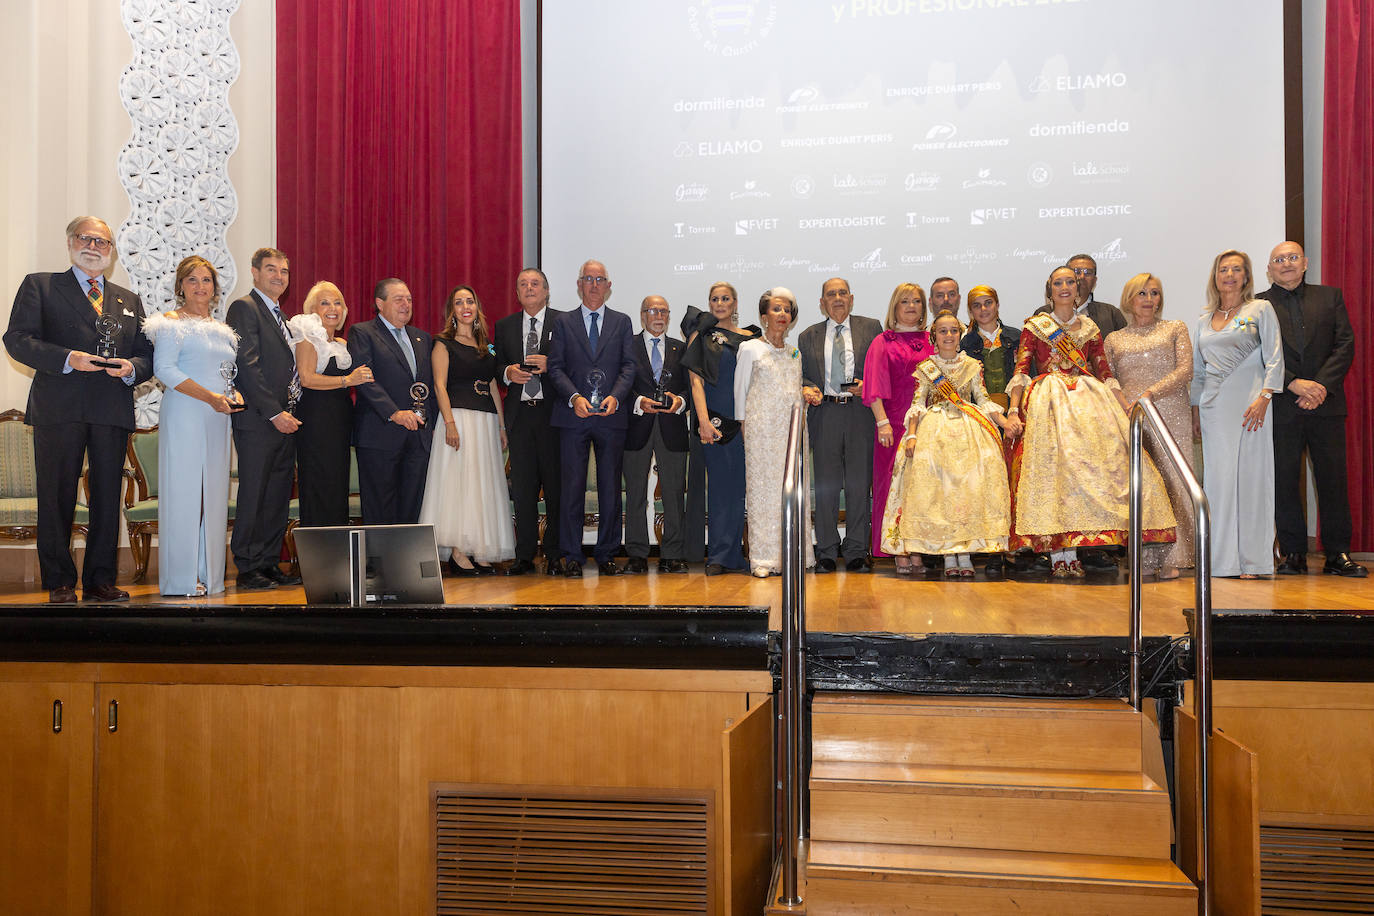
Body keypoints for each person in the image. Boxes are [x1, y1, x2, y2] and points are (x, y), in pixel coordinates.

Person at [4, 216, 153, 603]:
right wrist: (69, 357)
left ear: (111, 251)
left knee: (107, 497)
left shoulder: (128, 299)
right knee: (57, 496)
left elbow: (146, 355)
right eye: (86, 238)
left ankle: (101, 580)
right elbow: (17, 340)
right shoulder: (41, 285)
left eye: (102, 242)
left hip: (111, 408)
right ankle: (59, 582)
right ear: (71, 241)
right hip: (60, 407)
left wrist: (132, 368)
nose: (94, 246)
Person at [1006, 265, 1176, 577]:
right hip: (1050, 402)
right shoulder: (1036, 326)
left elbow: (1104, 372)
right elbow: (1021, 369)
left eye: (1070, 281)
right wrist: (1014, 410)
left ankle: (1076, 548)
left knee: (1087, 474)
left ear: (1079, 288)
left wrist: (1124, 406)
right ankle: (1058, 554)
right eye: (1058, 283)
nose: (1065, 287)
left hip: (1088, 402)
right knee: (1055, 473)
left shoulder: (1090, 328)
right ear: (1050, 289)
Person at [1257, 241, 1365, 577]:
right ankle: (1293, 554)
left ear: (1305, 263)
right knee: (1284, 481)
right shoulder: (1258, 304)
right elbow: (1256, 352)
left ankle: (1338, 555)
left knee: (1332, 480)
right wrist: (1293, 383)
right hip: (1282, 405)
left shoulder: (1329, 296)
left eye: (1292, 258)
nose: (1286, 264)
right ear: (1269, 269)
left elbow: (1344, 344)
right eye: (1279, 259)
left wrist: (1319, 386)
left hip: (1326, 404)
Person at [884, 311, 1014, 578]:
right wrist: (911, 436)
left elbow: (983, 399)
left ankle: (964, 554)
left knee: (967, 492)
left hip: (969, 431)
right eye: (943, 331)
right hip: (935, 433)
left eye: (953, 330)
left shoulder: (972, 365)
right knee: (940, 494)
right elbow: (918, 405)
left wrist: (1004, 422)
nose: (948, 336)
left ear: (960, 334)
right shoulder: (926, 369)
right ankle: (947, 556)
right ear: (934, 335)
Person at [142, 256, 242, 596]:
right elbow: (165, 370)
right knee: (183, 493)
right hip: (185, 411)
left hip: (217, 416)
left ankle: (211, 576)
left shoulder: (223, 330)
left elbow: (227, 376)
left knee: (214, 493)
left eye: (206, 280)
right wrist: (209, 396)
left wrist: (230, 394)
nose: (200, 286)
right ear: (180, 286)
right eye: (192, 280)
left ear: (215, 288)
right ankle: (181, 579)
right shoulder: (170, 323)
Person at [1191, 250, 1285, 578]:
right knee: (1219, 483)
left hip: (1251, 407)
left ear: (1246, 276)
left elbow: (1275, 357)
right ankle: (1222, 561)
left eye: (1236, 269)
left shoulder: (1260, 309)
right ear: (1215, 276)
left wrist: (1265, 396)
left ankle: (1254, 561)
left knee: (1253, 479)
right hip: (1213, 409)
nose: (1229, 275)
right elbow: (1199, 371)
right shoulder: (1204, 320)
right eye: (1223, 269)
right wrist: (1194, 410)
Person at [545, 259, 637, 577]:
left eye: (600, 279)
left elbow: (629, 366)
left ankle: (607, 553)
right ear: (579, 284)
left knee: (611, 488)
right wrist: (574, 398)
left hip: (611, 416)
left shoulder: (622, 322)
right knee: (571, 488)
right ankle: (571, 554)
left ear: (609, 287)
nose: (594, 284)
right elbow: (554, 367)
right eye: (589, 278)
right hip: (573, 417)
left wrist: (616, 396)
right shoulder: (563, 322)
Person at [1103, 273, 1195, 579]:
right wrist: (1123, 404)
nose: (1149, 299)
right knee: (1142, 487)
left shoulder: (1174, 329)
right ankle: (1144, 558)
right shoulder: (1114, 339)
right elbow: (1109, 378)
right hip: (1131, 417)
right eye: (1142, 293)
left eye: (1155, 293)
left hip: (1170, 413)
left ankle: (1177, 557)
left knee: (1173, 482)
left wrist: (1150, 394)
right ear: (1129, 299)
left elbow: (1185, 370)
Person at [418, 284, 514, 575]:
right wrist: (449, 423)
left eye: (469, 301)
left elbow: (493, 387)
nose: (465, 307)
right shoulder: (443, 343)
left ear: (477, 307)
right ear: (452, 311)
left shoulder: (486, 345)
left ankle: (478, 549)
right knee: (459, 485)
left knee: (481, 486)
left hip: (485, 422)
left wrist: (501, 424)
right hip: (459, 418)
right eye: (459, 303)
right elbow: (439, 386)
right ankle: (457, 552)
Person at [225, 247, 303, 590]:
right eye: (271, 270)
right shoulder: (245, 307)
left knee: (276, 496)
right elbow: (248, 366)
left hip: (285, 420)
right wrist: (274, 412)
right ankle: (248, 567)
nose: (279, 277)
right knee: (255, 493)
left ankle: (269, 563)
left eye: (284, 271)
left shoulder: (280, 316)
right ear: (255, 272)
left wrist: (287, 413)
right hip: (260, 420)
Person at [799, 277, 882, 572]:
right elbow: (804, 376)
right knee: (825, 488)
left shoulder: (871, 328)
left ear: (851, 298)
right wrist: (808, 388)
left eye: (842, 293)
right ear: (822, 303)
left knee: (859, 486)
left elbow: (880, 370)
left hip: (860, 412)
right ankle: (826, 552)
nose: (837, 298)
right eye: (830, 294)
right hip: (825, 415)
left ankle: (857, 550)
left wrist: (867, 384)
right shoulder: (807, 335)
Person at [735, 288, 814, 577]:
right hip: (761, 433)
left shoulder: (795, 352)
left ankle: (794, 555)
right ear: (764, 315)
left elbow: (794, 390)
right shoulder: (750, 348)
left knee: (793, 492)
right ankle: (764, 559)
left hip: (792, 432)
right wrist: (745, 430)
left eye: (787, 310)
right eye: (776, 309)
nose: (782, 315)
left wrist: (807, 392)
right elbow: (740, 394)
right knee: (764, 494)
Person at [681, 281, 758, 575]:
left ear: (735, 304)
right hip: (714, 421)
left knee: (739, 490)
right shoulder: (700, 335)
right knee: (720, 489)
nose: (720, 303)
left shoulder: (753, 338)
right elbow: (695, 381)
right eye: (715, 299)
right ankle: (718, 556)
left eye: (726, 298)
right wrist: (702, 420)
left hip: (746, 422)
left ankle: (736, 556)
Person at [348, 278, 437, 526]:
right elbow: (365, 379)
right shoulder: (362, 332)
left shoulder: (422, 338)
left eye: (409, 299)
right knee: (380, 507)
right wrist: (395, 413)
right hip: (380, 433)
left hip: (418, 436)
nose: (406, 304)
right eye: (399, 299)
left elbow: (428, 386)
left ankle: (405, 561)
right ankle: (379, 563)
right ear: (380, 303)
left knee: (413, 505)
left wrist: (434, 426)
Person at [493, 268, 563, 576]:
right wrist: (507, 372)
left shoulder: (564, 322)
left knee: (556, 489)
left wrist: (552, 364)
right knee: (522, 490)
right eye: (523, 284)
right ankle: (524, 556)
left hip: (554, 417)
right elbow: (493, 367)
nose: (529, 288)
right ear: (517, 293)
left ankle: (555, 554)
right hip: (519, 417)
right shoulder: (504, 325)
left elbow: (577, 363)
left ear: (547, 291)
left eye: (535, 284)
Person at [862, 282, 934, 575]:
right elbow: (874, 387)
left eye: (916, 301)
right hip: (892, 425)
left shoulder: (933, 339)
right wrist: (882, 423)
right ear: (895, 307)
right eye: (904, 301)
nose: (911, 306)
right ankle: (897, 550)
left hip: (928, 425)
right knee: (893, 488)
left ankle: (918, 548)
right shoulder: (883, 341)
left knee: (922, 489)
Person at [288, 282, 373, 527]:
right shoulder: (307, 339)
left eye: (337, 303)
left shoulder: (343, 345)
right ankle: (319, 560)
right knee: (320, 487)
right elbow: (306, 378)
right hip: (316, 423)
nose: (332, 308)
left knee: (337, 488)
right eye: (324, 303)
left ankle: (338, 556)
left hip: (339, 424)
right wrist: (348, 380)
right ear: (312, 309)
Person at [622, 296, 689, 574]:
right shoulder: (627, 346)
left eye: (663, 311)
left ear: (669, 316)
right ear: (642, 315)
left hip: (672, 427)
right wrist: (638, 402)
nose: (658, 315)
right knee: (636, 493)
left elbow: (689, 389)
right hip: (637, 426)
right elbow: (620, 385)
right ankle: (637, 554)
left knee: (673, 494)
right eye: (653, 310)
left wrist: (680, 402)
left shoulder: (681, 348)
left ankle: (672, 554)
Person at [958, 284, 1020, 577]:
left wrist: (1017, 413)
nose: (983, 310)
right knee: (990, 486)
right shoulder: (963, 343)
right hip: (982, 420)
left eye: (988, 303)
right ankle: (994, 552)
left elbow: (1026, 376)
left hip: (1017, 417)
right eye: (976, 306)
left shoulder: (1015, 338)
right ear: (969, 311)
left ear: (997, 304)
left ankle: (1019, 548)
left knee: (1017, 482)